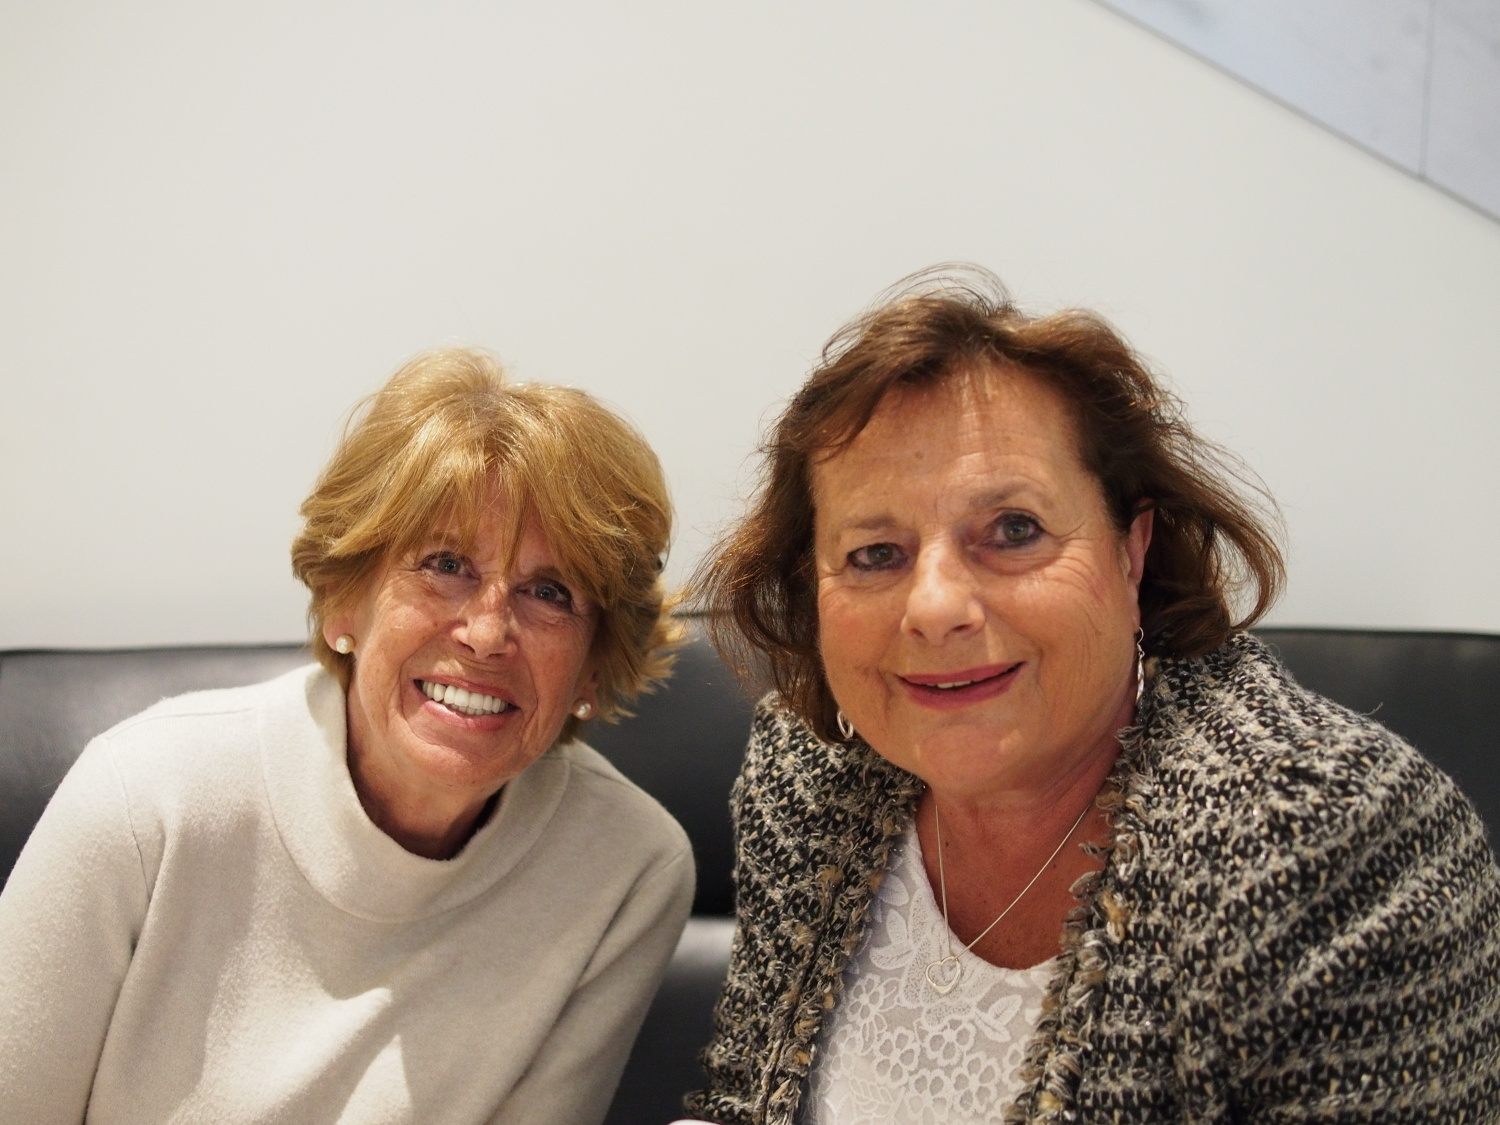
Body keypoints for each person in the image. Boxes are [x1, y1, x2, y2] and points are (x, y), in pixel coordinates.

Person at [682, 269, 1500, 1123]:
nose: (935, 607)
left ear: (1130, 549)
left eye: (1014, 530)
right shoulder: (809, 773)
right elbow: (748, 1100)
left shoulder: (1332, 840)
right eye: (875, 553)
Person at [0, 348, 694, 1124]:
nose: (487, 631)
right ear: (343, 600)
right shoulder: (146, 799)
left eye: (548, 592)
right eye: (446, 563)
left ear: (595, 665)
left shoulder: (627, 868)